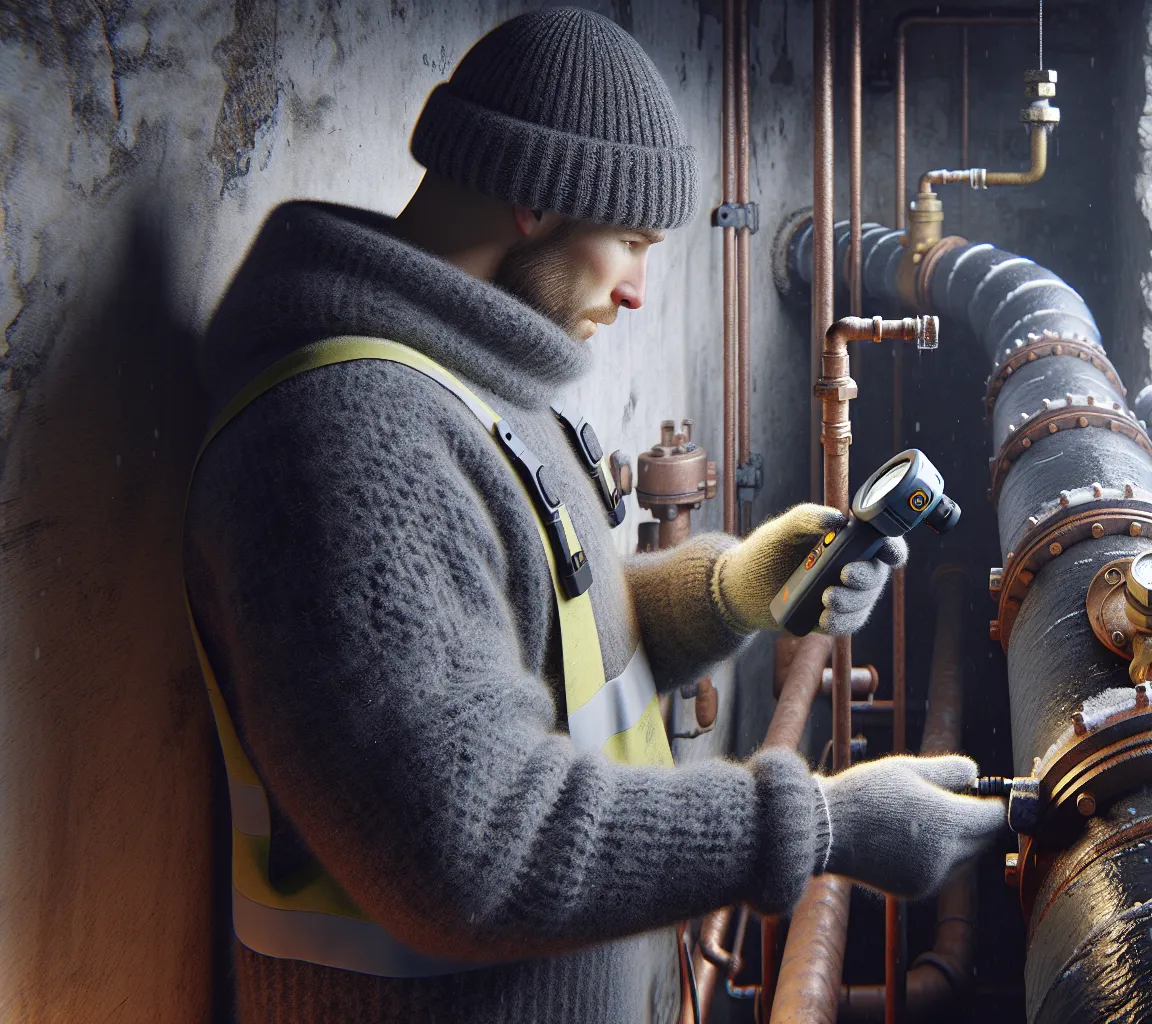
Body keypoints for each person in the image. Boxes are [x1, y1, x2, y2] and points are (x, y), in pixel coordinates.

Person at [183, 8, 1007, 1022]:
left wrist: (734, 588)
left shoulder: (465, 377)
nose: (638, 293)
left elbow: (549, 642)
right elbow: (473, 845)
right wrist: (824, 825)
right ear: (534, 200)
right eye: (629, 243)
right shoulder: (347, 441)